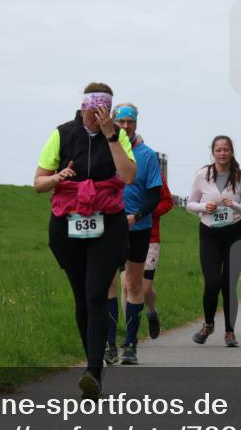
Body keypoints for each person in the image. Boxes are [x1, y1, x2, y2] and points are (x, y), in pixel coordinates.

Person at [34, 83, 136, 399]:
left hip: (108, 225)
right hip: (68, 224)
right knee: (81, 296)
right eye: (92, 111)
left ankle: (93, 371)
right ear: (83, 107)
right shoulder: (62, 134)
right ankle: (94, 364)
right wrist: (57, 177)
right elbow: (38, 182)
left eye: (103, 112)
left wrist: (111, 135)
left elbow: (129, 176)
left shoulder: (117, 136)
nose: (96, 117)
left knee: (95, 294)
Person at [186, 135, 241, 347]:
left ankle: (230, 332)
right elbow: (191, 203)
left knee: (229, 284)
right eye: (218, 150)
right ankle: (208, 324)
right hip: (209, 231)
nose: (222, 153)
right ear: (213, 152)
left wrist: (235, 205)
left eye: (226, 149)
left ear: (231, 152)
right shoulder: (202, 175)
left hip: (234, 233)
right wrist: (203, 207)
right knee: (212, 282)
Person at [107, 104, 163, 366]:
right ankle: (109, 345)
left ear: (136, 123)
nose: (126, 126)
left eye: (131, 121)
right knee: (108, 284)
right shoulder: (106, 149)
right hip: (107, 226)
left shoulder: (147, 155)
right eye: (122, 122)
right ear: (114, 122)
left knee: (133, 284)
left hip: (138, 228)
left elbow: (155, 195)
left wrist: (136, 216)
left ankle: (130, 344)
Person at [142, 161, 173, 339]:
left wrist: (149, 211)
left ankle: (152, 312)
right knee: (127, 286)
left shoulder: (155, 174)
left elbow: (167, 202)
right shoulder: (119, 168)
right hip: (124, 235)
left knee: (145, 289)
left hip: (150, 237)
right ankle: (131, 337)